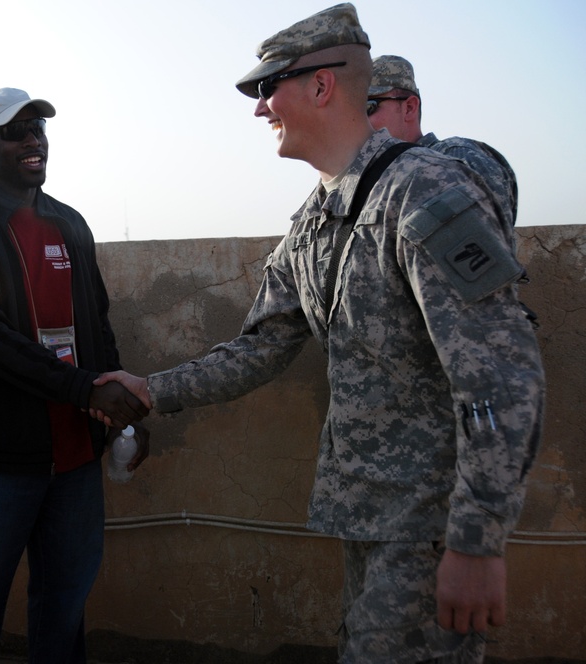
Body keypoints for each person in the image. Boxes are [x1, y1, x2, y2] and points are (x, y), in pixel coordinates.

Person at [95, 4, 544, 662]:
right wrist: (148, 390)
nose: (258, 109)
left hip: (430, 525)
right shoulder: (315, 218)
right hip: (369, 517)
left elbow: (502, 378)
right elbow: (258, 348)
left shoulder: (426, 194)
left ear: (322, 85)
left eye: (266, 88)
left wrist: (476, 540)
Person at [0, 87, 149, 664]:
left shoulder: (69, 222)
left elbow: (97, 323)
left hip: (73, 461)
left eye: (37, 128)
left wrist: (120, 415)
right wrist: (85, 388)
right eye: (14, 131)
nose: (31, 140)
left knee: (64, 610)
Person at [366, 54, 518, 237]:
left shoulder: (457, 159)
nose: (357, 121)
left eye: (368, 107)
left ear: (409, 108)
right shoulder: (374, 180)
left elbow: (486, 251)